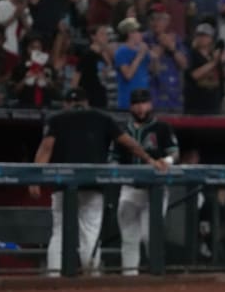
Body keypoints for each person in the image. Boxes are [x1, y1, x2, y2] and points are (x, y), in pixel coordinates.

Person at [28, 88, 166, 277]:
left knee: (60, 232)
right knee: (90, 233)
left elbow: (45, 149)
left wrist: (35, 178)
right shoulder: (100, 117)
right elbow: (128, 142)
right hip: (92, 186)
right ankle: (91, 277)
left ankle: (54, 276)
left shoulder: (58, 118)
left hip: (63, 186)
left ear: (66, 103)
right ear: (87, 102)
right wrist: (149, 159)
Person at [110, 89, 179, 276]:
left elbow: (174, 151)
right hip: (130, 188)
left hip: (155, 190)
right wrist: (115, 168)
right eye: (136, 104)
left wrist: (168, 161)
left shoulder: (162, 127)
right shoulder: (122, 130)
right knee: (129, 237)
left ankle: (155, 274)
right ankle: (130, 277)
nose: (140, 108)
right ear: (131, 106)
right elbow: (113, 156)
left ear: (150, 104)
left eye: (144, 103)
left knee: (150, 236)